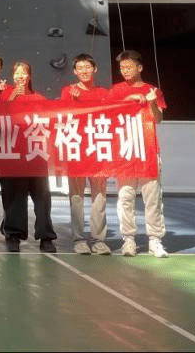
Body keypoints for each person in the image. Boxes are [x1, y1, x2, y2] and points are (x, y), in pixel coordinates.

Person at [110, 49, 168, 258]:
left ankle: (155, 240)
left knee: (152, 198)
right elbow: (108, 114)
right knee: (125, 197)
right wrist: (129, 99)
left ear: (140, 67)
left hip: (148, 151)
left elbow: (158, 119)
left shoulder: (153, 90)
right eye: (122, 67)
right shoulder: (116, 90)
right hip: (125, 151)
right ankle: (128, 240)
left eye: (129, 66)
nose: (125, 70)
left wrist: (150, 101)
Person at [1, 60, 57, 253]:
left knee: (42, 198)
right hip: (14, 156)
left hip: (36, 156)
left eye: (23, 73)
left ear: (29, 76)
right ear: (12, 76)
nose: (20, 76)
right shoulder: (5, 96)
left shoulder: (39, 98)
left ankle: (46, 237)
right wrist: (11, 99)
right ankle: (13, 235)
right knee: (14, 197)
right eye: (16, 73)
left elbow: (50, 121)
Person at [61, 54, 111, 255]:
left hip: (97, 149)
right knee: (76, 196)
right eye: (80, 68)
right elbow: (63, 117)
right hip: (77, 149)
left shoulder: (103, 93)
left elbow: (110, 116)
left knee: (99, 195)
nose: (84, 71)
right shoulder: (67, 91)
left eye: (87, 67)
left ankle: (99, 240)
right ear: (74, 71)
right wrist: (73, 101)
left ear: (94, 69)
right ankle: (79, 239)